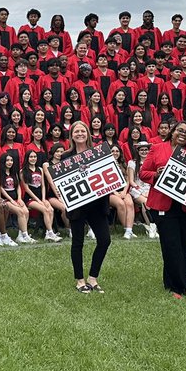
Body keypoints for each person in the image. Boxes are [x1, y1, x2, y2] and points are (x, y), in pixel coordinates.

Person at [141, 121, 186, 299]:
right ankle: (182, 285)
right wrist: (157, 174)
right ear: (172, 132)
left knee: (184, 246)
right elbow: (143, 173)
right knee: (172, 246)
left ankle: (171, 280)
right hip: (163, 206)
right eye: (180, 130)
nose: (183, 134)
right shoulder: (157, 148)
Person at [60, 121, 112, 293]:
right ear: (72, 135)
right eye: (77, 131)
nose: (80, 134)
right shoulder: (65, 156)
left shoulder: (98, 152)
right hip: (78, 206)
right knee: (78, 242)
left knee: (105, 240)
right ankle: (80, 280)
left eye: (83, 131)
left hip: (97, 204)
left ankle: (93, 278)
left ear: (88, 133)